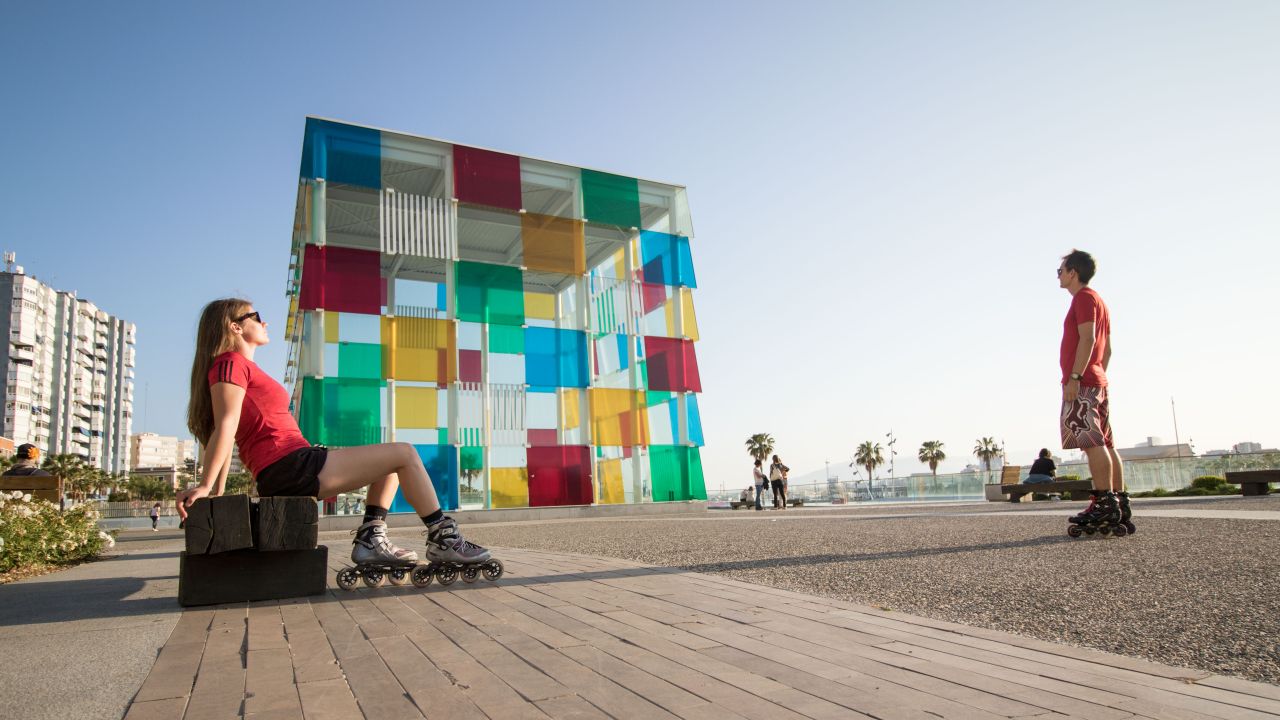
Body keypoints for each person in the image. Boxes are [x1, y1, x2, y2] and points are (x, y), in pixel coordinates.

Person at [175, 298, 491, 570]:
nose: (264, 322)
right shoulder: (229, 364)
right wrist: (206, 486)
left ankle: (371, 539)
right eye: (256, 317)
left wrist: (215, 493)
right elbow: (226, 425)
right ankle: (444, 538)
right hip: (290, 466)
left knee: (393, 465)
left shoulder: (237, 366)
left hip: (294, 463)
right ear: (235, 327)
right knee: (405, 453)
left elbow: (227, 430)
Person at [1056, 251, 1132, 533]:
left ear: (1073, 272)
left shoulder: (1084, 298)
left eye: (1060, 271)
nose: (1059, 276)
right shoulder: (1099, 301)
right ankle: (1118, 500)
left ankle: (1104, 502)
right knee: (1106, 443)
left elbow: (1087, 338)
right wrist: (1098, 375)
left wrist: (1077, 377)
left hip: (1084, 381)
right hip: (1097, 380)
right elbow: (1107, 349)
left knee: (1091, 443)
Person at [3, 444, 57, 508]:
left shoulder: (5, 475)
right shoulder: (44, 475)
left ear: (17, 457)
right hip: (37, 511)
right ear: (35, 457)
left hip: (9, 510)